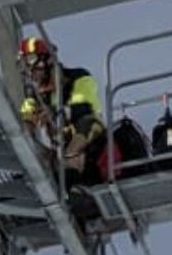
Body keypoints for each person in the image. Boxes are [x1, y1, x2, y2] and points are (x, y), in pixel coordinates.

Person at [17, 36, 110, 186]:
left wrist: (53, 113)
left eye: (31, 61)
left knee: (87, 123)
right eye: (24, 65)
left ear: (47, 60)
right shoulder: (34, 95)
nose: (30, 71)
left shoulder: (79, 77)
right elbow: (26, 118)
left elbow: (82, 109)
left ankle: (73, 184)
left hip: (92, 142)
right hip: (61, 148)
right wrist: (25, 132)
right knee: (26, 143)